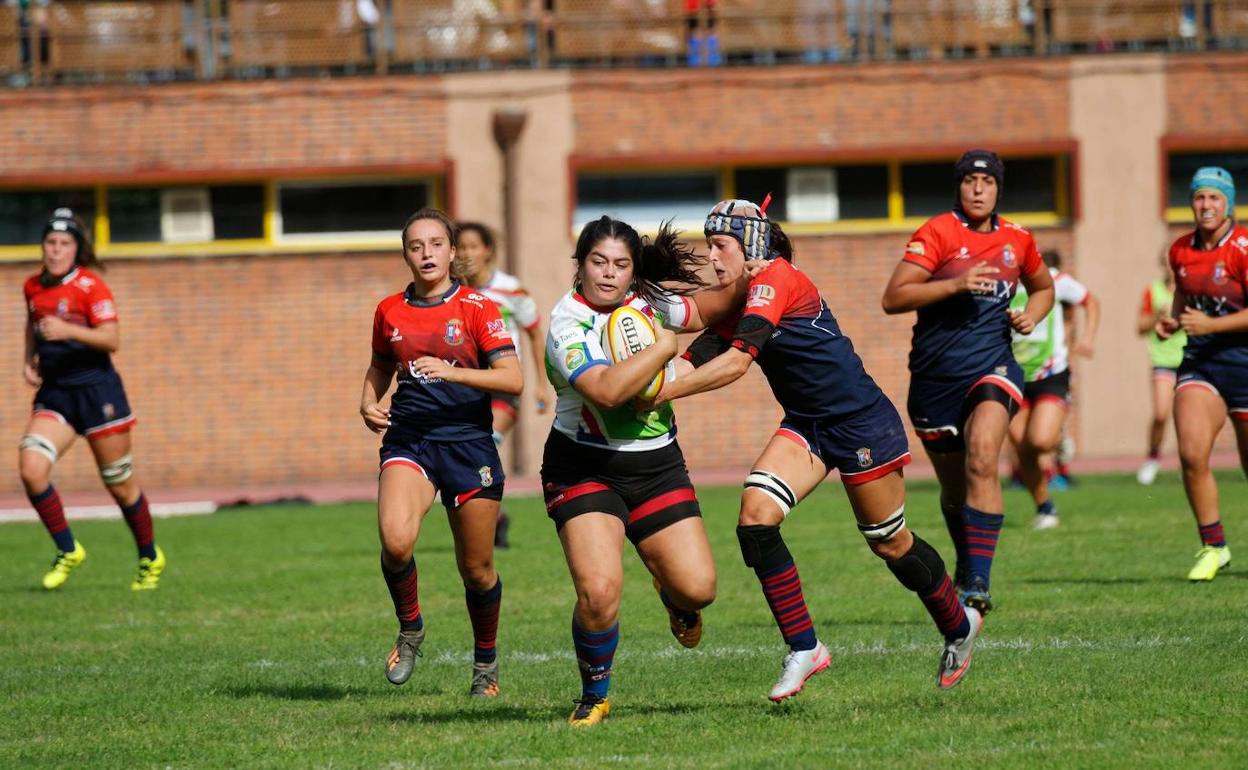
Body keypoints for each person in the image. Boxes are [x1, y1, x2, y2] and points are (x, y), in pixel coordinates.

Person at [659, 198, 983, 699]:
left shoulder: (776, 280)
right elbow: (689, 343)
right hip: (808, 426)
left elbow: (734, 365)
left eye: (720, 245)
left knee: (889, 543)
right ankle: (805, 647)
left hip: (861, 425)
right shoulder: (738, 293)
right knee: (755, 518)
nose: (712, 257)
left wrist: (661, 392)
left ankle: (958, 624)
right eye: (709, 246)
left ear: (752, 247)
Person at [541, 216, 716, 726]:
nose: (609, 274)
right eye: (598, 262)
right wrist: (665, 348)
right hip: (584, 465)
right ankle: (594, 694)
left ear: (633, 270)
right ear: (581, 264)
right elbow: (606, 391)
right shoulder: (566, 321)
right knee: (599, 591)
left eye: (621, 264)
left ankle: (671, 594)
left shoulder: (649, 303)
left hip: (657, 465)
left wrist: (760, 274)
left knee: (699, 589)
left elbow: (709, 310)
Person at [882, 150, 1055, 614]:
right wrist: (954, 285)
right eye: (970, 180)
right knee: (956, 489)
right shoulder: (937, 232)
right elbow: (894, 297)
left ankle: (978, 581)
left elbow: (1043, 288)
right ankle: (966, 562)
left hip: (993, 367)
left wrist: (1031, 316)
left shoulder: (1018, 238)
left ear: (999, 189)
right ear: (959, 187)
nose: (979, 189)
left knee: (984, 457)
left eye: (988, 181)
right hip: (935, 377)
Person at [360, 207, 522, 697]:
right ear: (406, 254)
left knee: (476, 570)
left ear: (452, 252)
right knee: (395, 542)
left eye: (436, 244)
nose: (426, 253)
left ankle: (485, 664)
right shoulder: (389, 310)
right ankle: (410, 629)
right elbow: (379, 367)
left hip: (469, 443)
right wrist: (367, 400)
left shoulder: (478, 308)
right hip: (410, 438)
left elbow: (512, 380)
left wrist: (452, 371)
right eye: (416, 246)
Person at [20, 208, 165, 591]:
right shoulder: (33, 286)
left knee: (118, 485)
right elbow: (32, 323)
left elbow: (111, 339)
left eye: (64, 243)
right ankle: (68, 549)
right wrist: (28, 360)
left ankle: (150, 556)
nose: (55, 250)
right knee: (32, 469)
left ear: (76, 248)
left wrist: (67, 329)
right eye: (50, 242)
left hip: (98, 393)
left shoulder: (91, 287)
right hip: (56, 393)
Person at [1156, 167, 1248, 582]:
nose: (1206, 205)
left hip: (1244, 364)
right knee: (1192, 454)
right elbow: (1184, 296)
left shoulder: (1243, 247)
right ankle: (1214, 547)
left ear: (1228, 202)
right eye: (1199, 197)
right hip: (1201, 364)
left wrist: (1212, 325)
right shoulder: (1179, 250)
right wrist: (1172, 321)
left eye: (1214, 197)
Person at [454, 221, 551, 548]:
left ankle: (487, 517)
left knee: (484, 442)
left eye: (473, 246)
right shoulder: (453, 292)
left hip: (503, 386)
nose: (467, 252)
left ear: (488, 250)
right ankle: (495, 517)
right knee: (465, 455)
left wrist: (540, 384)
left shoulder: (511, 289)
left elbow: (535, 332)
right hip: (467, 387)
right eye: (461, 246)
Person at [1007, 249, 1099, 529]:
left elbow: (1090, 301)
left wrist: (1088, 337)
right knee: (1022, 447)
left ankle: (1058, 439)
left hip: (1051, 374)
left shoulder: (1055, 280)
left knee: (1040, 441)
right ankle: (1045, 508)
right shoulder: (1005, 285)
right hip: (1014, 375)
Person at [1136, 252, 1187, 485]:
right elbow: (1140, 327)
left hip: (1189, 359)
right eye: (1167, 262)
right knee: (1161, 413)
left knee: (1186, 417)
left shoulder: (1191, 289)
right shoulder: (1153, 291)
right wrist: (1158, 314)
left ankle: (1187, 462)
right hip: (1162, 360)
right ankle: (1153, 458)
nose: (1171, 266)